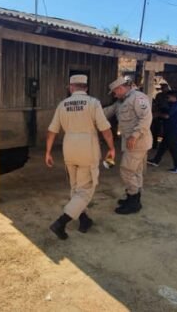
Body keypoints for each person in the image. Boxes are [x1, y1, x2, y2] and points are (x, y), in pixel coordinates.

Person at [45, 75, 116, 240]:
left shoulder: (62, 105)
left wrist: (48, 152)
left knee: (75, 187)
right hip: (87, 148)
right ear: (86, 88)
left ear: (71, 88)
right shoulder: (93, 103)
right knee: (85, 190)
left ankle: (84, 220)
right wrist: (111, 148)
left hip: (69, 148)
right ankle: (61, 222)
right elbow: (105, 129)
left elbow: (52, 131)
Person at [103, 77, 152, 215]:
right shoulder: (122, 101)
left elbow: (146, 117)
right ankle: (134, 199)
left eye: (114, 92)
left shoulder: (138, 97)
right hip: (130, 142)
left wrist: (135, 135)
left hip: (137, 141)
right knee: (135, 171)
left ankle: (133, 202)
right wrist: (91, 112)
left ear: (120, 88)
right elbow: (108, 111)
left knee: (126, 170)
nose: (114, 95)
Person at [148, 90, 177, 172]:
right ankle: (156, 161)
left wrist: (157, 115)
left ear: (174, 97)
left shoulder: (176, 105)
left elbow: (167, 116)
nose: (167, 98)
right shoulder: (171, 105)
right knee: (162, 146)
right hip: (168, 130)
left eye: (168, 97)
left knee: (174, 149)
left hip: (173, 130)